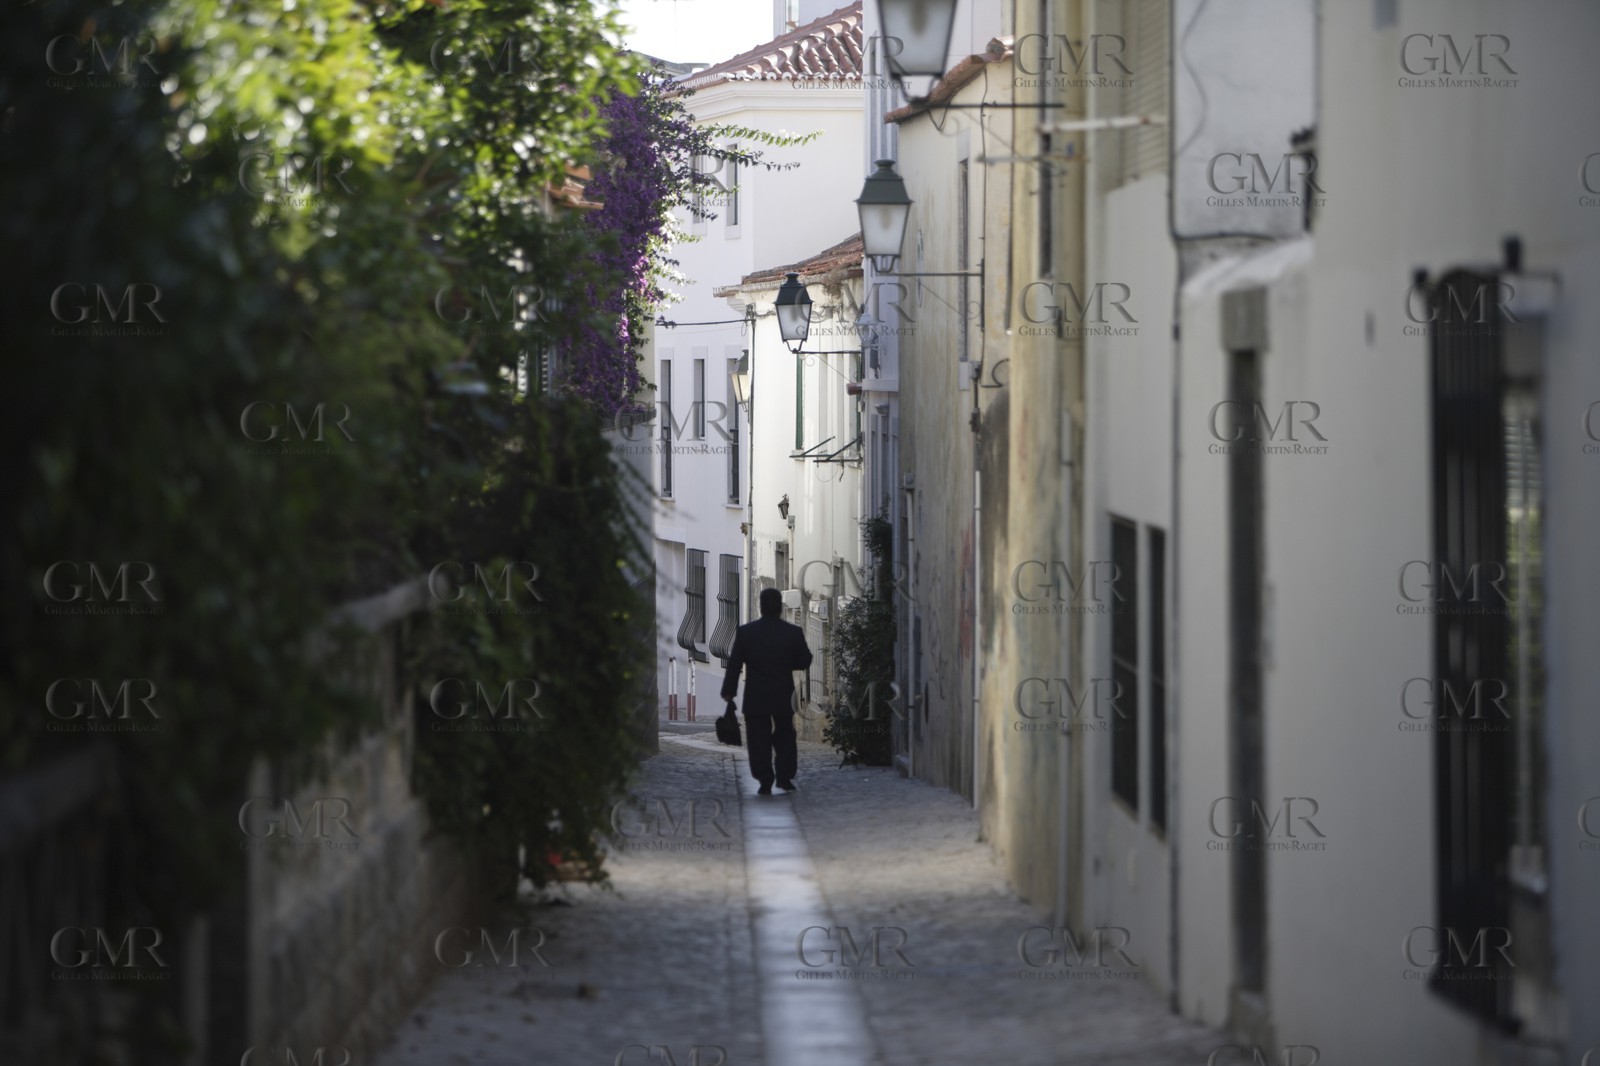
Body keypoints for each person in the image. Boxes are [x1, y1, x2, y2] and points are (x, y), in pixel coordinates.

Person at [721, 587, 813, 795]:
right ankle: (785, 776)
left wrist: (729, 690)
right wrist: (789, 663)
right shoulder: (792, 633)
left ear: (761, 607)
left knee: (758, 738)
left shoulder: (747, 633)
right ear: (780, 607)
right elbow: (806, 659)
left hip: (756, 694)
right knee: (785, 735)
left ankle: (764, 779)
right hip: (783, 693)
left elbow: (735, 664)